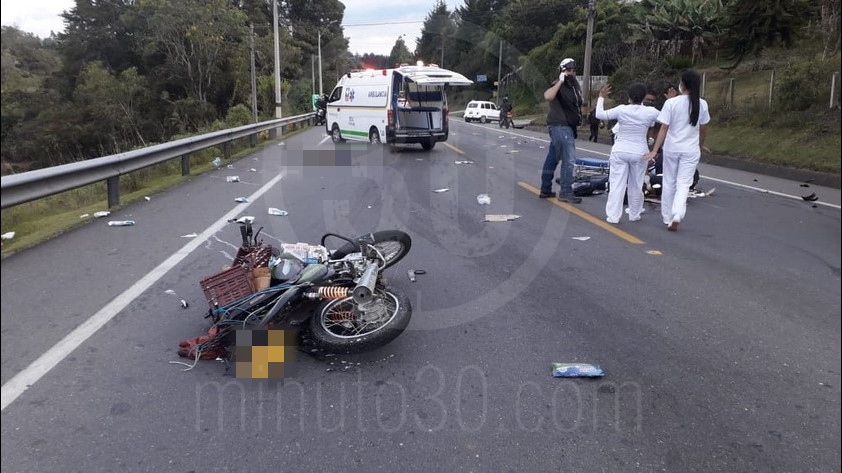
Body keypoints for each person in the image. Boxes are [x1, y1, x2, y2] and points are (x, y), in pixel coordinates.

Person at [645, 69, 710, 231]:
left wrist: (655, 150)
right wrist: (700, 146)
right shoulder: (702, 104)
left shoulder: (671, 103)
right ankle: (678, 214)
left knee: (669, 182)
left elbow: (664, 129)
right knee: (684, 184)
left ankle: (667, 217)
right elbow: (703, 130)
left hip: (672, 149)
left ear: (682, 85)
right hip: (691, 150)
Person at [595, 82, 660, 223]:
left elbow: (599, 114)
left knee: (617, 184)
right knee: (636, 184)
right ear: (644, 97)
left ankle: (613, 216)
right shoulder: (651, 112)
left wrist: (601, 97)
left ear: (629, 97)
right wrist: (671, 100)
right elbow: (668, 120)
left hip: (620, 150)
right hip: (639, 152)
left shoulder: (622, 109)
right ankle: (634, 214)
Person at [539, 57, 584, 203]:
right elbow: (548, 96)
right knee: (568, 160)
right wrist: (560, 80)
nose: (571, 73)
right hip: (560, 126)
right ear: (562, 71)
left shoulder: (574, 86)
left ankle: (546, 188)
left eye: (573, 70)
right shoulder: (559, 84)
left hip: (568, 127)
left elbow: (578, 103)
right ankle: (565, 191)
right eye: (568, 70)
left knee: (553, 157)